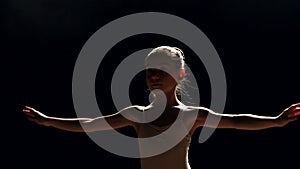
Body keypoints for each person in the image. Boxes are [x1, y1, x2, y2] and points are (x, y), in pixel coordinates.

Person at [23, 46, 300, 169]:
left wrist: (276, 120)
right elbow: (90, 124)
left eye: (162, 70)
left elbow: (237, 121)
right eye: (149, 71)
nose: (154, 76)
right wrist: (49, 120)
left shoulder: (191, 116)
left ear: (179, 75)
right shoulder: (136, 114)